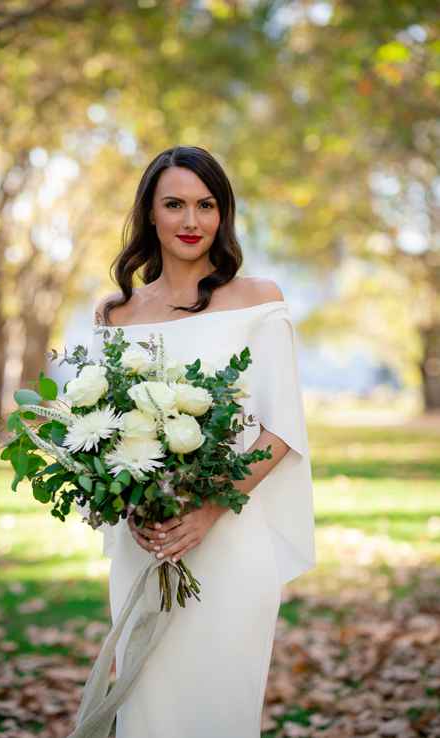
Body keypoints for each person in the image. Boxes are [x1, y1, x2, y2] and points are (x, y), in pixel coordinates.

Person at [87, 145, 315, 738]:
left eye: (205, 205)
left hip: (233, 542)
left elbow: (282, 428)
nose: (191, 222)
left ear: (223, 213)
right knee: (148, 708)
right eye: (174, 205)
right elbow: (100, 432)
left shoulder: (259, 299)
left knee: (220, 706)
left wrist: (210, 508)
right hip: (148, 543)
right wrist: (132, 507)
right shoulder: (116, 314)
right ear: (150, 214)